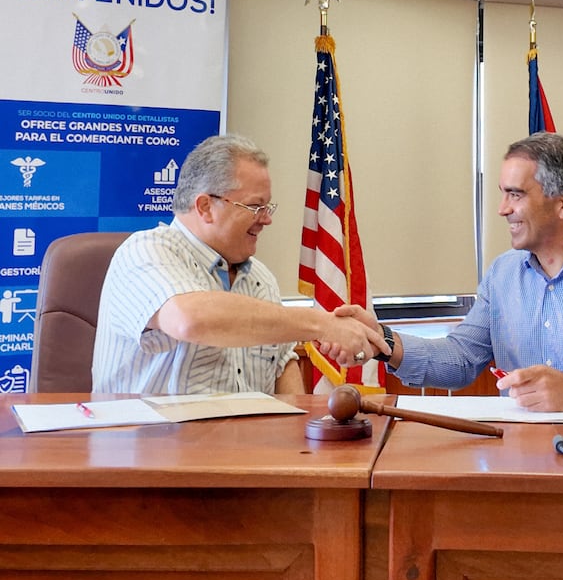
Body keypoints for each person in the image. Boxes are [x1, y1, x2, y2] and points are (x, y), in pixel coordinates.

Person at [324, 132, 563, 411]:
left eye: (515, 194)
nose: (502, 209)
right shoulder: (503, 274)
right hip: (518, 454)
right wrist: (384, 340)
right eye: (502, 193)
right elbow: (461, 359)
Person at [92, 134, 386, 395]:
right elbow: (191, 319)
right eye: (255, 207)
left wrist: (297, 434)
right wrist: (321, 324)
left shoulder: (261, 279)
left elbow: (282, 365)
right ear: (206, 207)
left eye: (267, 207)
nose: (267, 219)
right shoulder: (145, 251)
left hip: (245, 450)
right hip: (150, 449)